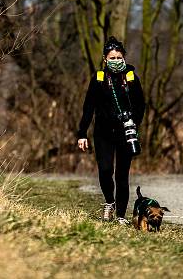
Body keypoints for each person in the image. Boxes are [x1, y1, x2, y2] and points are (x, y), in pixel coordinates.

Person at [77, 36, 145, 224]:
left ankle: (121, 216)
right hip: (103, 133)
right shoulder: (98, 79)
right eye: (112, 58)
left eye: (119, 58)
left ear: (124, 58)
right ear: (105, 59)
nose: (116, 61)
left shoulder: (131, 78)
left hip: (126, 133)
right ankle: (109, 202)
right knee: (105, 170)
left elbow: (141, 105)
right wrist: (82, 133)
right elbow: (88, 107)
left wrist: (134, 123)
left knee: (122, 175)